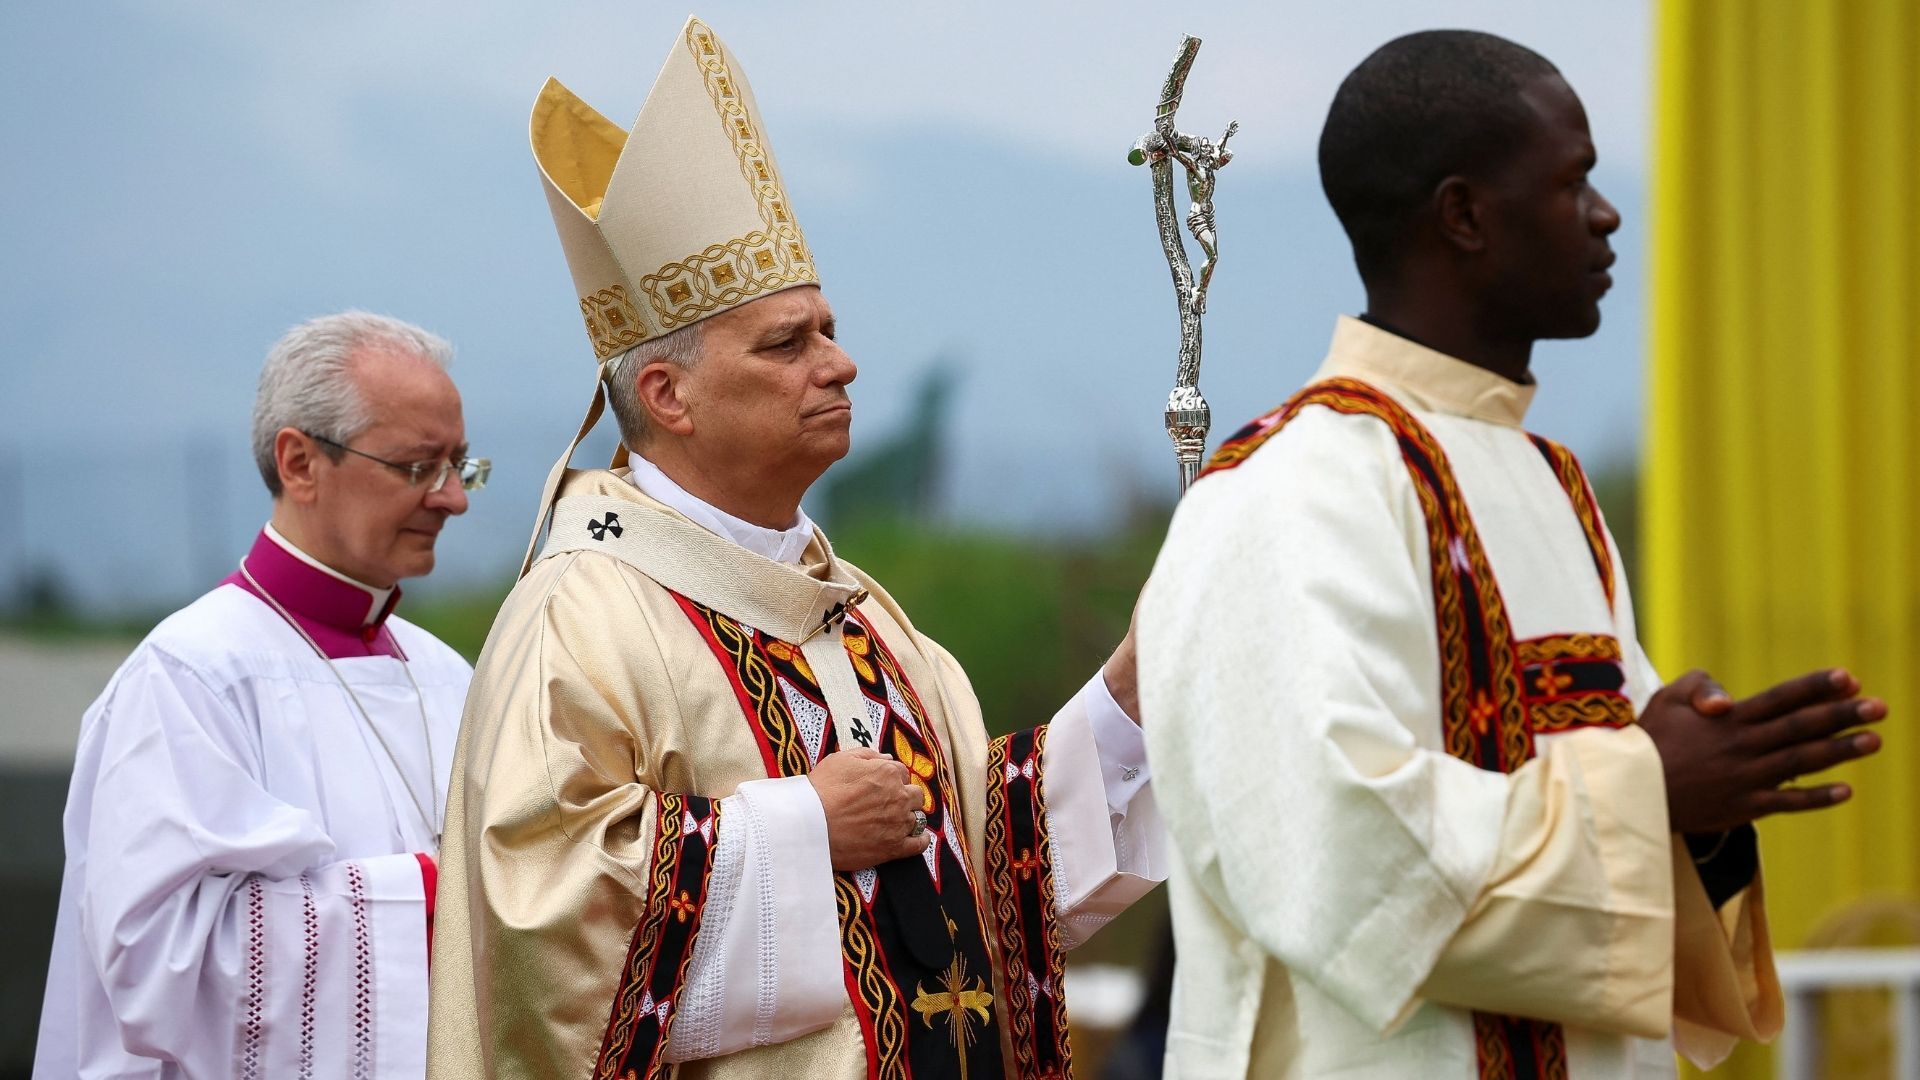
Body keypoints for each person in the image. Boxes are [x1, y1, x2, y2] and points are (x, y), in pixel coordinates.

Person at [1138, 30, 1885, 1079]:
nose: (1606, 213)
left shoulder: (1553, 484)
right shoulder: (1285, 495)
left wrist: (1703, 810)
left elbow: (1614, 811)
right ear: (1464, 215)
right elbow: (1338, 856)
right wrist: (1652, 789)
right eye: (1572, 179)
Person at [426, 18, 1162, 1080]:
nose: (844, 363)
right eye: (790, 343)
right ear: (668, 394)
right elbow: (543, 942)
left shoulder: (858, 616)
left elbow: (982, 884)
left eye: (827, 329)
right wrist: (803, 825)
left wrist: (1132, 693)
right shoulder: (581, 617)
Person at [35, 312, 488, 1078]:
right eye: (418, 467)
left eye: (462, 467)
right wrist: (437, 898)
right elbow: (159, 963)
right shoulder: (188, 678)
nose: (453, 500)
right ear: (300, 462)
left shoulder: (450, 675)